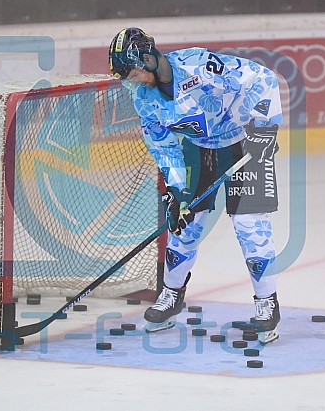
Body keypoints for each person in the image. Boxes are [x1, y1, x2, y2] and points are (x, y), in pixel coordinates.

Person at [109, 28, 283, 344]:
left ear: (147, 58)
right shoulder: (144, 99)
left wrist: (265, 128)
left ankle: (266, 304)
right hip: (199, 150)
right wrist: (176, 191)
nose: (132, 80)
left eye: (133, 71)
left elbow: (262, 79)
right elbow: (163, 146)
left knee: (249, 225)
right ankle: (171, 294)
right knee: (182, 225)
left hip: (245, 143)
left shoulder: (198, 64)